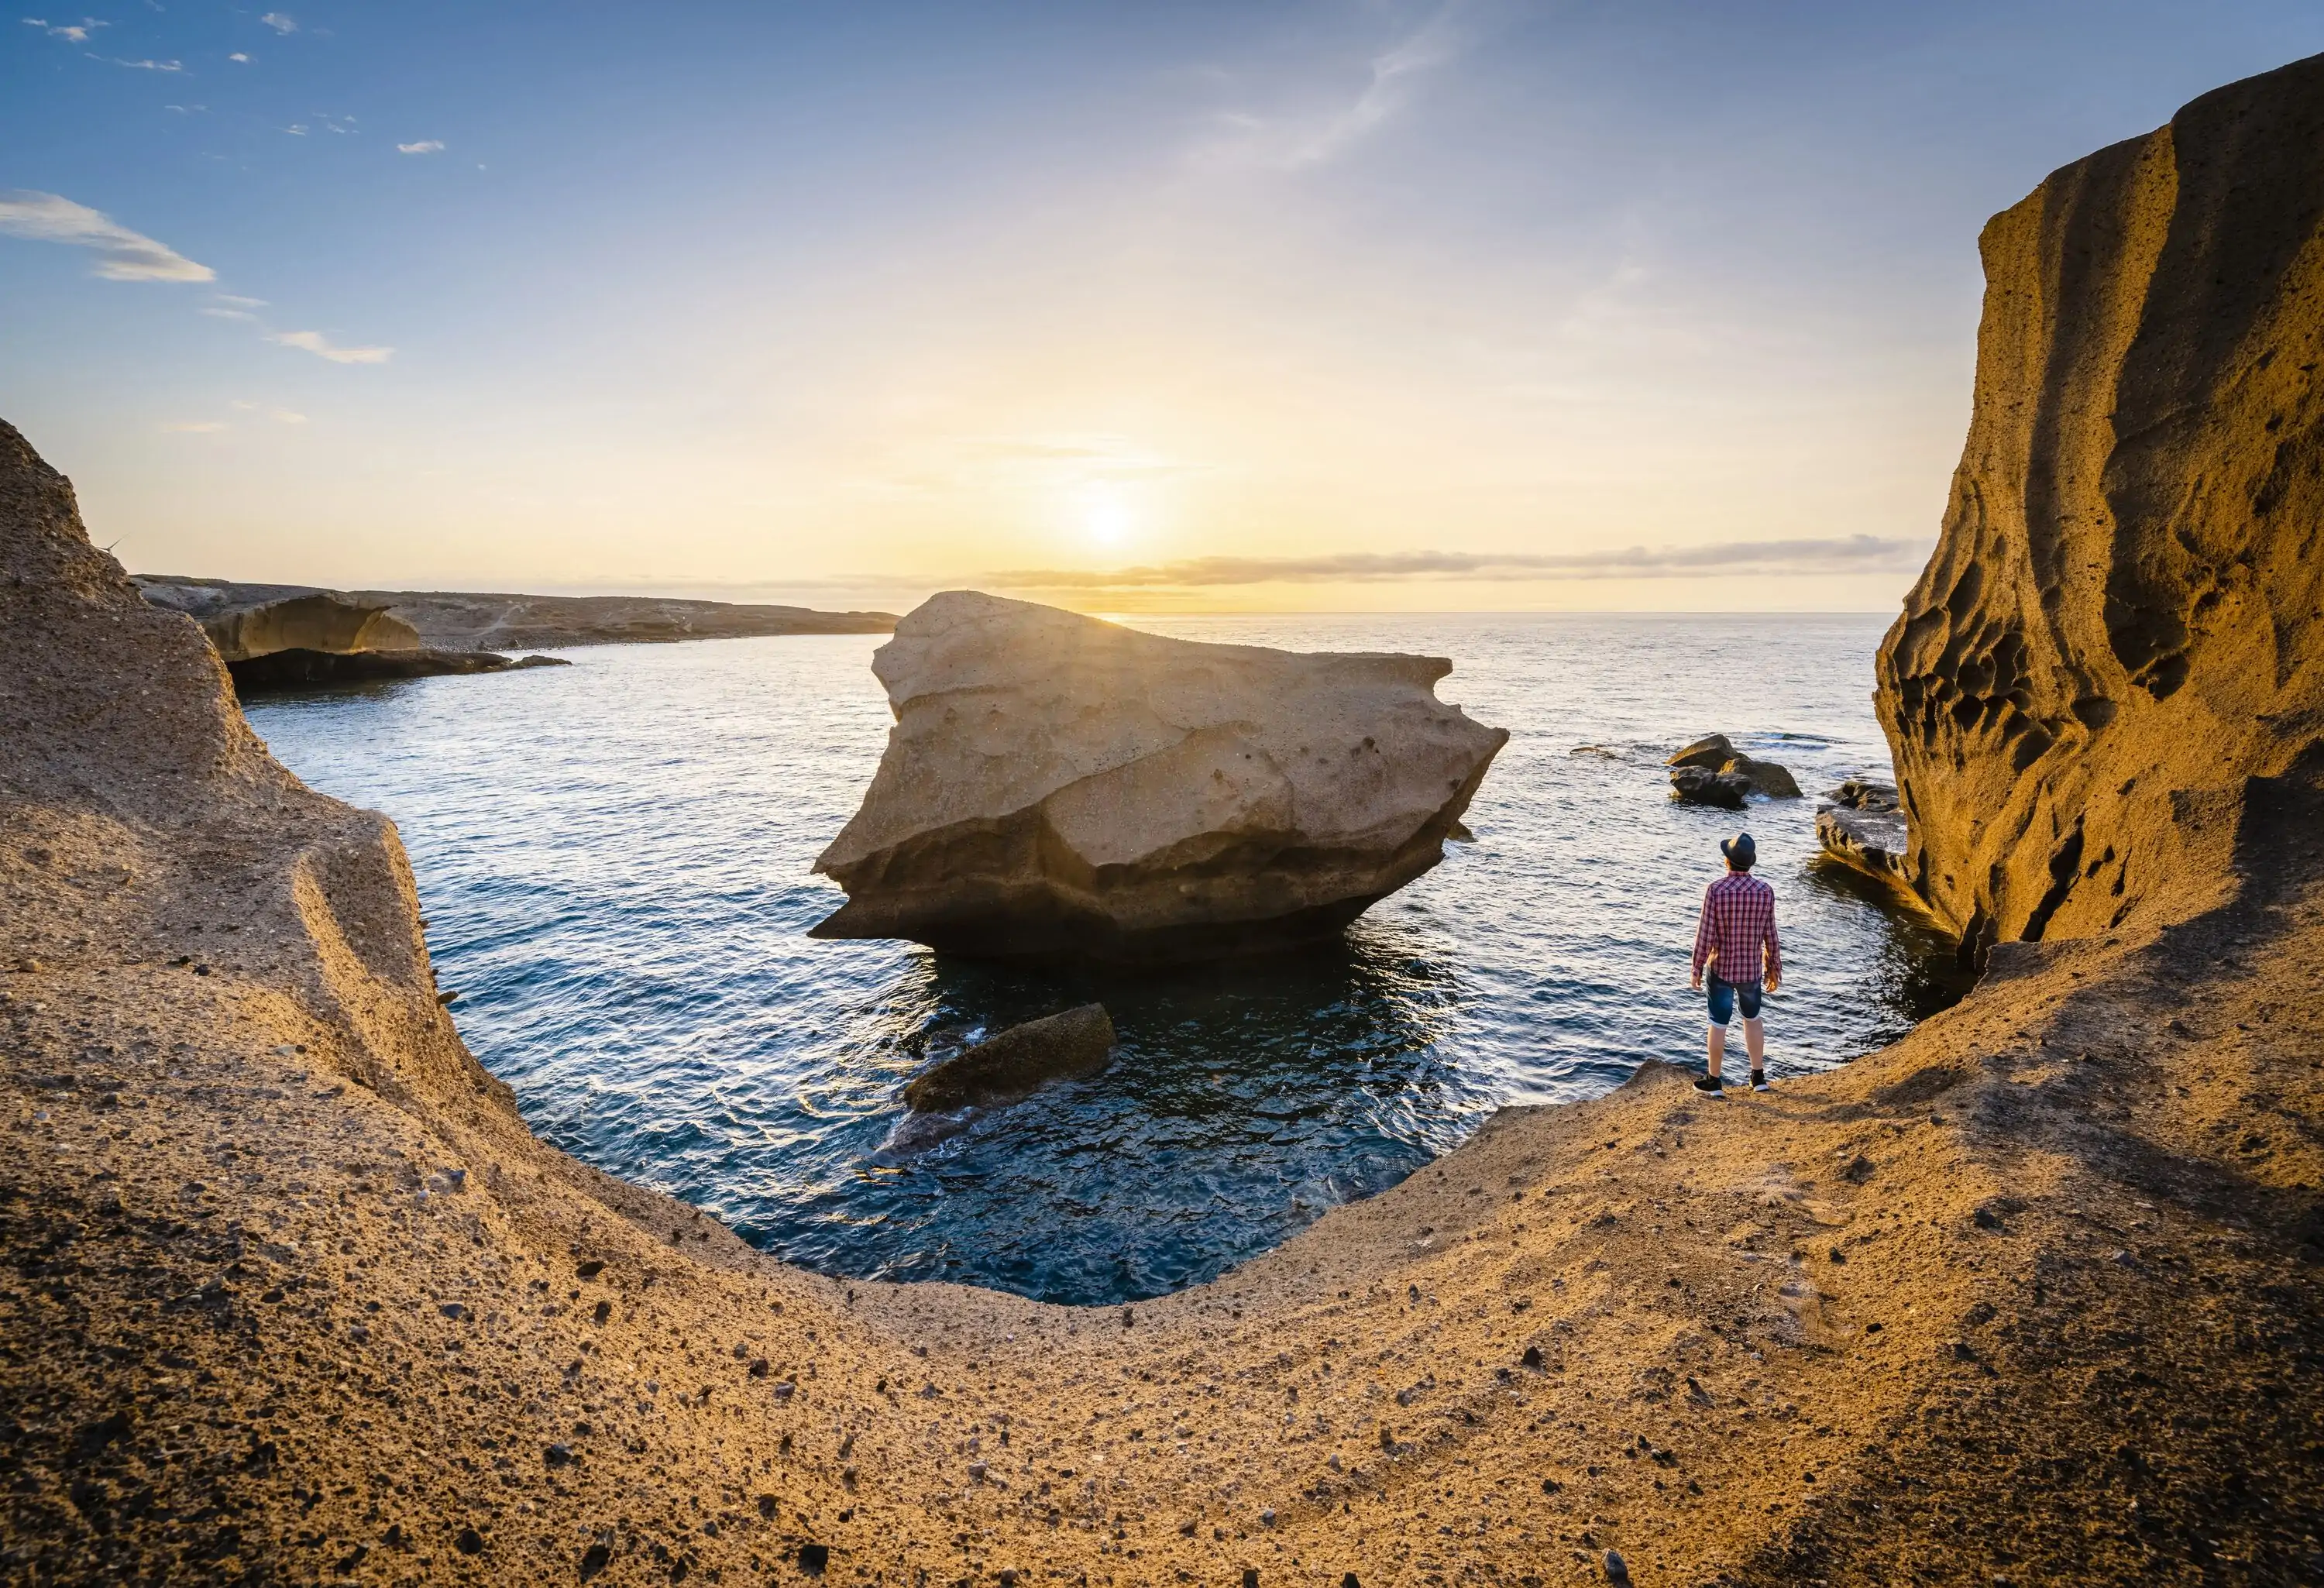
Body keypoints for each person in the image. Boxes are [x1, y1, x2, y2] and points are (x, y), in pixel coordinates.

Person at [1688, 830, 1781, 1095]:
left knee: (1718, 1023)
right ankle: (1758, 1078)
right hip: (1751, 971)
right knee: (1753, 1019)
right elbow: (1770, 933)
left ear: (1727, 861)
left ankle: (1714, 1081)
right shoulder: (1765, 891)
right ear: (1750, 862)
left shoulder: (1716, 890)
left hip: (1721, 970)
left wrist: (1696, 967)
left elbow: (1706, 933)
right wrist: (1773, 966)